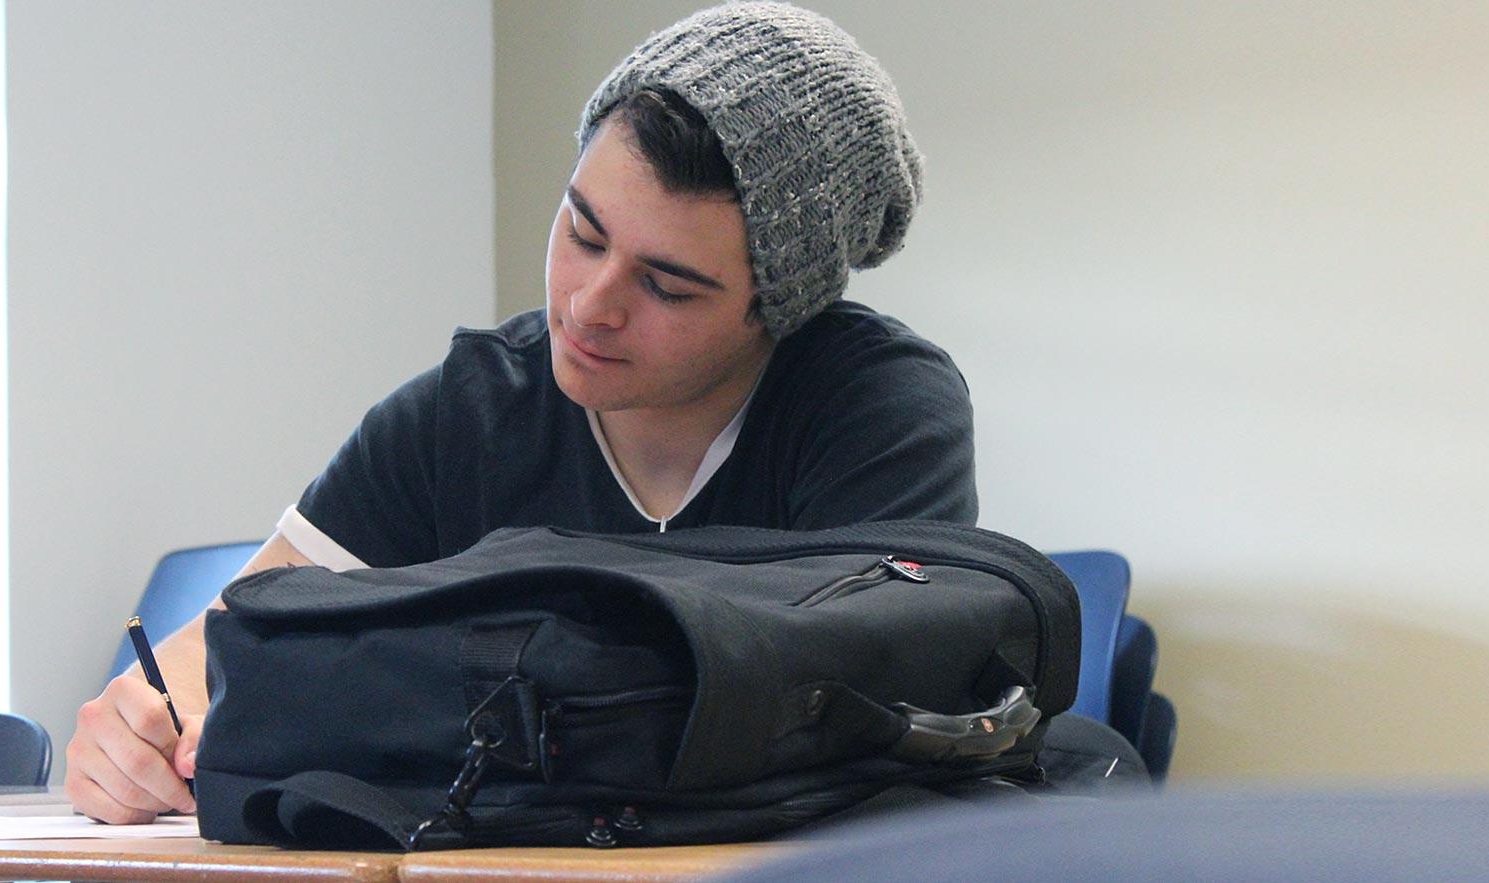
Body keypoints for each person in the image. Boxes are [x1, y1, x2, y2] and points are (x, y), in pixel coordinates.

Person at [68, 2, 983, 824]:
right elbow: (230, 646)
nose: (589, 305)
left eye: (666, 285)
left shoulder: (880, 415)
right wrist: (140, 728)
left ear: (777, 309)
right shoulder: (461, 416)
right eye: (583, 230)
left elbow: (863, 739)